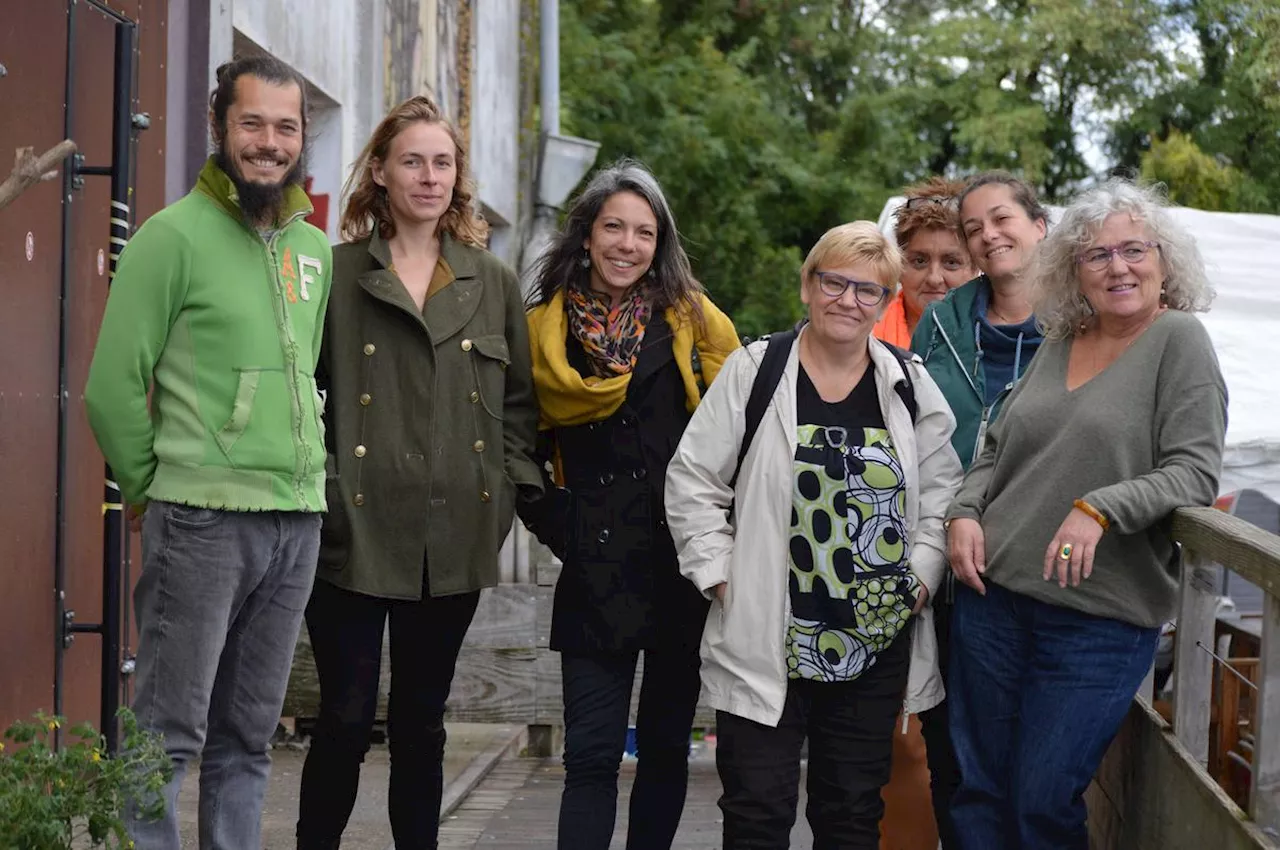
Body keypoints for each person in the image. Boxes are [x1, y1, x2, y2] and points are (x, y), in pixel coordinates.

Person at [84, 56, 330, 849]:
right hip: (202, 523)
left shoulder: (313, 253)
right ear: (220, 125)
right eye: (252, 122)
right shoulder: (170, 237)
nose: (269, 142)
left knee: (249, 739)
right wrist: (153, 491)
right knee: (167, 733)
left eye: (286, 127)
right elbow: (111, 385)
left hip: (296, 521)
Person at [943, 179, 1226, 849]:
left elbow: (1194, 470)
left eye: (1134, 250)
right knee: (977, 790)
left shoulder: (1179, 341)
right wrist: (963, 512)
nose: (1118, 267)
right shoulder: (1062, 338)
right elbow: (996, 444)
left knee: (1043, 801)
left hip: (1098, 617)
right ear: (1075, 271)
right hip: (993, 600)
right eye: (1097, 255)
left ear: (1164, 261)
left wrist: (1099, 508)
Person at [294, 96, 542, 850]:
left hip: (452, 535)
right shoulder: (333, 274)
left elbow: (521, 411)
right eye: (412, 161)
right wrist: (327, 491)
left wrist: (495, 501)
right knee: (341, 715)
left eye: (443, 162)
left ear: (457, 177)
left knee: (422, 722)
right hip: (352, 531)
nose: (429, 177)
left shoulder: (492, 281)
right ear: (380, 170)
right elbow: (300, 394)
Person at [665, 221, 964, 849]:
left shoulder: (907, 386)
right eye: (835, 282)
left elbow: (943, 492)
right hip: (766, 631)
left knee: (851, 815)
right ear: (809, 285)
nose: (848, 301)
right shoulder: (758, 370)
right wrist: (720, 574)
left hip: (874, 639)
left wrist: (919, 581)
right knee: (756, 813)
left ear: (886, 304)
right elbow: (693, 478)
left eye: (869, 291)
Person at [519, 159, 740, 850]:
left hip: (679, 566)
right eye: (613, 226)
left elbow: (741, 429)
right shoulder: (542, 331)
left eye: (644, 232)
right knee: (588, 757)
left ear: (659, 243)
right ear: (586, 235)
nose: (627, 244)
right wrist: (559, 521)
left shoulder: (695, 324)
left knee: (669, 751)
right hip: (593, 569)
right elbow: (514, 442)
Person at [907, 170, 1049, 849]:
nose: (988, 236)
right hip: (947, 564)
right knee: (958, 758)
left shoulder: (1082, 323)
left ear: (1038, 225)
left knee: (1037, 767)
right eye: (975, 228)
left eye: (1002, 220)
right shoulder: (941, 322)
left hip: (1035, 563)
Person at [873, 176, 975, 347]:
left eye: (951, 262)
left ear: (975, 268)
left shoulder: (1000, 340)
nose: (934, 279)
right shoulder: (862, 334)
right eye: (920, 261)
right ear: (898, 266)